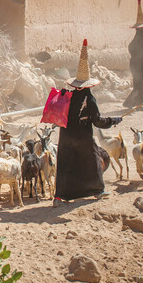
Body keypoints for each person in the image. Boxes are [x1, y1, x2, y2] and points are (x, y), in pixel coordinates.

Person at [53, 39, 122, 207]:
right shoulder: (89, 99)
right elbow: (98, 121)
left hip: (66, 136)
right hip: (83, 136)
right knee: (91, 161)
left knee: (66, 164)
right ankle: (97, 191)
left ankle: (59, 197)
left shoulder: (68, 95)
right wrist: (113, 121)